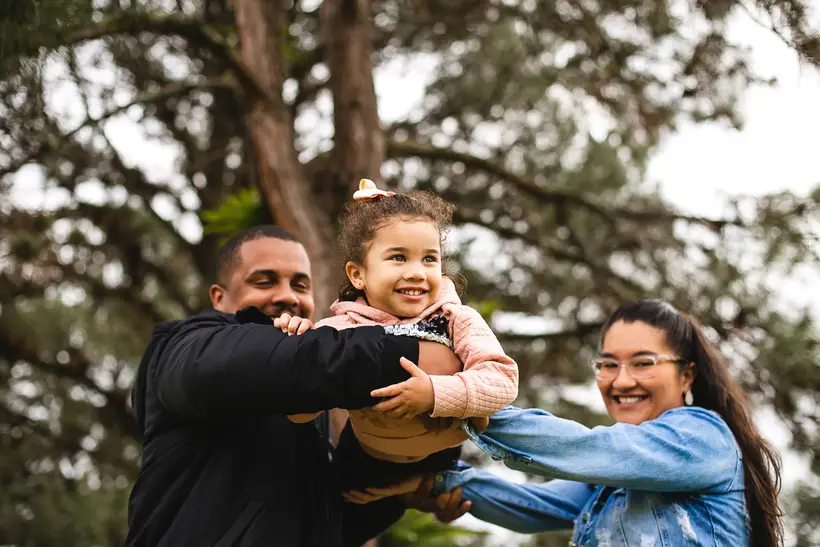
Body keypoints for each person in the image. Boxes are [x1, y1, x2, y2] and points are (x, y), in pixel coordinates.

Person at [124, 225, 471, 547]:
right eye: (264, 281)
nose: (287, 296)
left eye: (301, 285)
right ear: (219, 297)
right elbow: (270, 363)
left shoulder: (310, 398)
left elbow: (325, 524)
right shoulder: (183, 346)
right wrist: (409, 352)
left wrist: (397, 489)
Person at [374, 299, 783, 546]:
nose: (621, 381)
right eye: (608, 364)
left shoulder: (703, 436)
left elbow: (594, 449)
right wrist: (435, 485)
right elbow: (535, 505)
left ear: (687, 375)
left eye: (643, 363)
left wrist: (458, 398)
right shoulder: (609, 482)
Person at [275, 179, 518, 493]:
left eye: (429, 259)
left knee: (509, 425)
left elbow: (503, 379)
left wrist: (434, 393)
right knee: (341, 495)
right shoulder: (341, 329)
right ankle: (394, 492)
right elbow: (298, 414)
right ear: (358, 274)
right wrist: (299, 347)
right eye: (399, 258)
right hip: (369, 456)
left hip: (442, 449)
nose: (417, 271)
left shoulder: (455, 318)